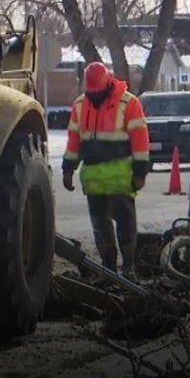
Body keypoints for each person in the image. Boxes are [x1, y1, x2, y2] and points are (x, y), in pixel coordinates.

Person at [61, 62, 151, 278]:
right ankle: (109, 267)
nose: (94, 96)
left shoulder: (129, 103)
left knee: (125, 223)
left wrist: (140, 171)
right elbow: (74, 140)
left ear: (108, 83)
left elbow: (140, 139)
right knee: (100, 225)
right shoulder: (80, 105)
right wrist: (68, 168)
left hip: (120, 178)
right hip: (93, 179)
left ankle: (128, 266)